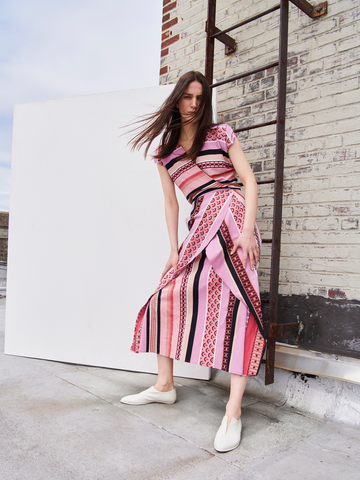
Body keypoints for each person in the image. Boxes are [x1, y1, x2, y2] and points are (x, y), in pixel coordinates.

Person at [121, 71, 265, 453]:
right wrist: (173, 249)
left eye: (200, 98)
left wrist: (247, 231)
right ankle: (165, 385)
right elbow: (171, 203)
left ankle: (233, 411)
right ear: (177, 99)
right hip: (200, 224)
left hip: (234, 221)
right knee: (165, 297)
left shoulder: (221, 134)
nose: (194, 104)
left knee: (238, 309)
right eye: (187, 97)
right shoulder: (165, 154)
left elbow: (248, 181)